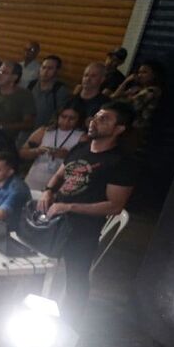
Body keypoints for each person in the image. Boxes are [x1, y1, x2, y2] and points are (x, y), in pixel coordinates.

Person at [37, 102, 136, 321]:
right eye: (96, 117)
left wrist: (70, 206)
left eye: (104, 119)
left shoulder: (120, 162)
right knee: (31, 262)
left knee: (76, 280)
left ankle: (68, 326)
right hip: (55, 220)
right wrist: (48, 191)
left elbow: (114, 205)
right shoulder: (80, 149)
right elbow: (60, 175)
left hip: (83, 229)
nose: (95, 122)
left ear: (119, 129)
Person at [20, 104, 85, 192]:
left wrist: (67, 155)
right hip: (34, 179)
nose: (66, 121)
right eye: (63, 117)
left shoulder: (82, 137)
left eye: (72, 118)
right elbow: (22, 152)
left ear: (78, 119)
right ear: (58, 116)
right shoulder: (44, 131)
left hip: (60, 183)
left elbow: (84, 163)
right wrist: (36, 151)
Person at [112, 59, 163, 142]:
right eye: (139, 72)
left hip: (134, 129)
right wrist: (126, 82)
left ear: (154, 75)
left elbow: (126, 105)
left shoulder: (152, 91)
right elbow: (114, 97)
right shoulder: (137, 89)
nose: (140, 75)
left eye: (144, 72)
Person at [28, 55, 71, 132]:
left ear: (57, 71)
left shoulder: (60, 90)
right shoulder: (32, 84)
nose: (45, 71)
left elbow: (60, 114)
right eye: (43, 67)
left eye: (50, 68)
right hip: (25, 130)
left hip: (45, 132)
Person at [68, 63, 108, 128]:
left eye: (93, 76)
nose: (87, 79)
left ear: (102, 79)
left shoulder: (105, 105)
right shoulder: (70, 100)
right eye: (86, 75)